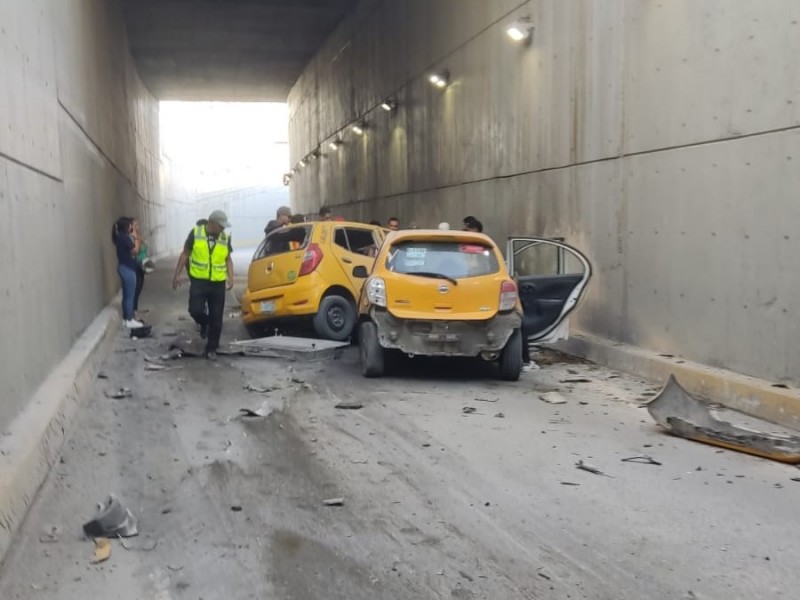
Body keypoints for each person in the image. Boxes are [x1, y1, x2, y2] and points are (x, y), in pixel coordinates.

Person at [172, 210, 234, 361]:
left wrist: (230, 277)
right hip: (199, 281)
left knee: (217, 316)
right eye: (221, 226)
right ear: (211, 223)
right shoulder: (195, 233)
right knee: (195, 310)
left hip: (217, 283)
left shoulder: (225, 238)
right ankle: (205, 323)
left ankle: (211, 348)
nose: (223, 229)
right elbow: (185, 253)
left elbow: (228, 259)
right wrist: (177, 275)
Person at [112, 217, 143, 328]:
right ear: (127, 226)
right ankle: (129, 320)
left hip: (123, 267)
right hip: (128, 269)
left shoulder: (120, 237)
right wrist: (136, 239)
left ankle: (126, 319)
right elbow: (135, 251)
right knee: (130, 296)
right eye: (131, 225)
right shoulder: (125, 238)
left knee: (126, 295)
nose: (132, 226)